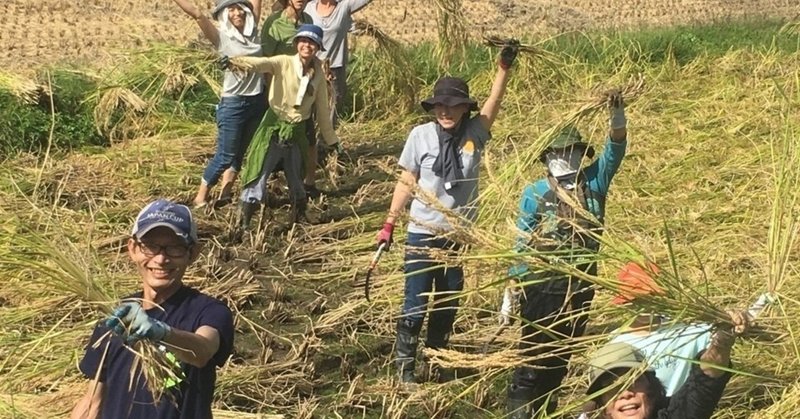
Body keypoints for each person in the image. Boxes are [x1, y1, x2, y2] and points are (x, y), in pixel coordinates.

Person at [375, 43, 519, 384]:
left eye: (452, 106)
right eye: (440, 105)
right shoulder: (419, 136)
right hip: (423, 233)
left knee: (448, 302)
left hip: (457, 237)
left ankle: (437, 360)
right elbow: (407, 179)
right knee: (415, 302)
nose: (445, 112)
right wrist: (389, 223)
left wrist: (503, 68)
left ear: (464, 109)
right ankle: (405, 367)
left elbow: (494, 104)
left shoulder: (475, 134)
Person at [503, 92, 629, 417]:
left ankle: (547, 407)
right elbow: (522, 241)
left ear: (579, 153)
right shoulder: (534, 193)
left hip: (582, 284)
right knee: (533, 353)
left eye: (570, 150)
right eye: (557, 151)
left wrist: (616, 116)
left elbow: (615, 149)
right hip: (541, 285)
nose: (563, 156)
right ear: (547, 156)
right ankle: (521, 411)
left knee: (562, 353)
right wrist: (512, 286)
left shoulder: (594, 181)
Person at [70, 199, 234, 419]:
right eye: (150, 246)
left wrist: (163, 333)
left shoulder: (208, 311)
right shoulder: (117, 317)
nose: (161, 258)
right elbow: (93, 400)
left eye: (175, 248)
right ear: (133, 249)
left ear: (192, 253)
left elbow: (202, 350)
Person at [227, 24, 341, 227]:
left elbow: (323, 110)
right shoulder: (283, 62)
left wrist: (331, 139)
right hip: (273, 129)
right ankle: (242, 222)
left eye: (313, 43)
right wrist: (234, 62)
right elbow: (260, 64)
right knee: (259, 172)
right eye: (304, 41)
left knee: (297, 176)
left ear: (318, 47)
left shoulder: (319, 76)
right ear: (297, 43)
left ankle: (299, 215)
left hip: (297, 133)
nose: (307, 46)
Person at [173, 0, 267, 209]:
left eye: (240, 8)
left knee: (239, 154)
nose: (237, 13)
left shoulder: (254, 33)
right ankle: (200, 197)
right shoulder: (222, 38)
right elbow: (197, 14)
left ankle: (226, 193)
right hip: (234, 104)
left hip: (257, 101)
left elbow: (256, 3)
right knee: (225, 155)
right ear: (225, 15)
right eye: (231, 9)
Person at [583, 308, 750, 419]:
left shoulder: (673, 414)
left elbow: (705, 380)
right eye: (612, 386)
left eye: (633, 381)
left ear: (651, 387)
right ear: (603, 407)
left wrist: (722, 341)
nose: (626, 393)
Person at [607, 262, 713, 397]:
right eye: (635, 300)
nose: (643, 307)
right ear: (625, 303)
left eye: (650, 298)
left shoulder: (685, 331)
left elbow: (719, 338)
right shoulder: (617, 343)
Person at [302, 0, 374, 198]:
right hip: (311, 67)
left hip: (334, 69)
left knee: (331, 112)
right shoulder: (309, 8)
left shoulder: (344, 8)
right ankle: (305, 153)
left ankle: (322, 152)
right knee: (309, 111)